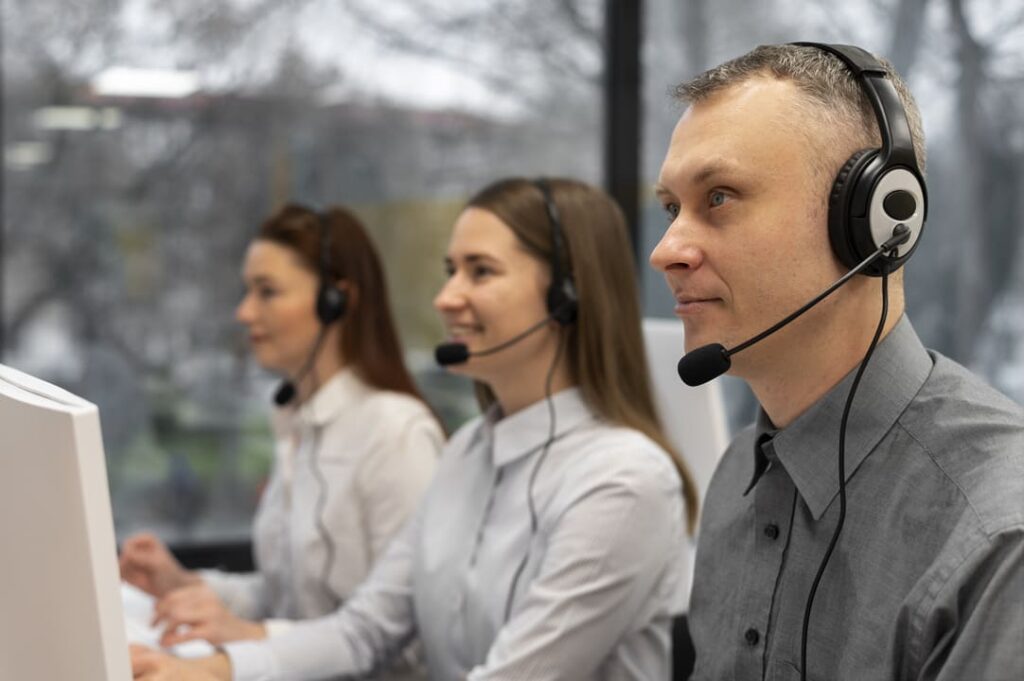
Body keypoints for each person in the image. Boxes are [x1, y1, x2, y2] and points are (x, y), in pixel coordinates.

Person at [129, 177, 700, 681]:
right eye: (452, 271)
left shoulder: (625, 481)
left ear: (566, 297)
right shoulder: (468, 453)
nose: (446, 299)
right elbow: (364, 631)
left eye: (481, 272)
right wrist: (218, 668)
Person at [650, 43, 1024, 680]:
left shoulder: (996, 533)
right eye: (670, 209)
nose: (666, 250)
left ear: (879, 219)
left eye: (718, 198)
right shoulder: (739, 471)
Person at [120, 204, 444, 668]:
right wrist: (184, 584)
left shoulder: (397, 434)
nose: (244, 312)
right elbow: (282, 597)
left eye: (266, 292)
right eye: (247, 291)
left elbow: (405, 637)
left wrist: (254, 638)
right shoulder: (299, 425)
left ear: (338, 301)